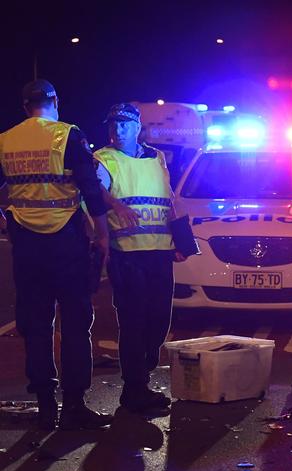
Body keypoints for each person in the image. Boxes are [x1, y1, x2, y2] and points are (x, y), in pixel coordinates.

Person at [0, 79, 113, 430]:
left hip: (26, 244)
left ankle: (46, 405)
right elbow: (91, 187)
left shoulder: (7, 139)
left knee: (35, 322)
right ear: (55, 101)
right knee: (76, 321)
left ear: (24, 106)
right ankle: (75, 405)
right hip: (66, 238)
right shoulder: (68, 135)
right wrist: (103, 234)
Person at [94, 103, 187, 414]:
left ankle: (141, 376)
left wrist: (179, 237)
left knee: (160, 321)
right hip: (128, 255)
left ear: (137, 128)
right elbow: (93, 193)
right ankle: (135, 389)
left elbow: (167, 199)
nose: (116, 130)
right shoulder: (104, 159)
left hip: (160, 252)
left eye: (123, 125)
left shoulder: (157, 158)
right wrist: (116, 208)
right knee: (133, 324)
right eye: (112, 125)